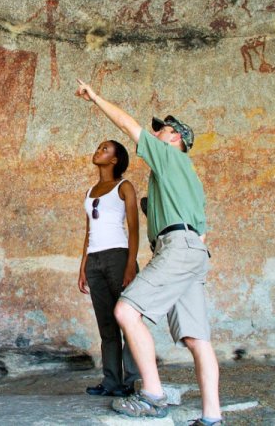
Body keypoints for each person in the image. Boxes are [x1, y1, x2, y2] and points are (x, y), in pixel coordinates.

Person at [75, 79, 222, 426]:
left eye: (163, 130)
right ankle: (212, 417)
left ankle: (153, 396)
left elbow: (128, 125)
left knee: (125, 312)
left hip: (176, 249)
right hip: (191, 251)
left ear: (177, 140)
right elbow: (200, 232)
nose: (156, 134)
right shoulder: (179, 178)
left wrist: (95, 97)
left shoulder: (171, 158)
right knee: (197, 339)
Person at [78, 140, 140, 397]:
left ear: (115, 160)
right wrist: (82, 267)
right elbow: (88, 231)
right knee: (107, 327)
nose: (98, 151)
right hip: (95, 260)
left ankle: (133, 380)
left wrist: (130, 266)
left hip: (118, 257)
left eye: (105, 149)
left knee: (129, 323)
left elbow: (135, 229)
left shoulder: (124, 187)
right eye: (99, 147)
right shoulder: (90, 190)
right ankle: (111, 381)